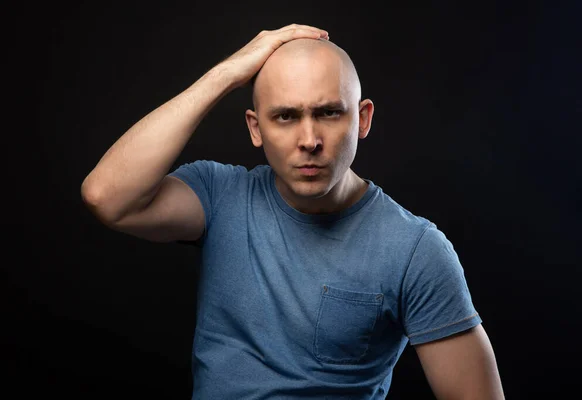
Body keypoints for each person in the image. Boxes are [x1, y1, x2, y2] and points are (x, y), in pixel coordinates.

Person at [81, 24, 505, 399]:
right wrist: (226, 74)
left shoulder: (416, 249)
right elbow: (106, 196)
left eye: (328, 113)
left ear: (362, 119)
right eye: (285, 116)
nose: (309, 139)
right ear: (255, 127)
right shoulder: (220, 197)